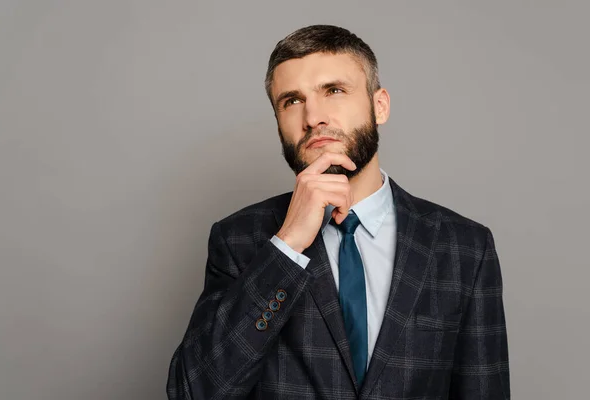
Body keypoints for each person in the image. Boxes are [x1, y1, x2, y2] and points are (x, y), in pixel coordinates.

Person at [166, 24, 510, 399]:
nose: (313, 117)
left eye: (333, 91)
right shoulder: (239, 240)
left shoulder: (464, 248)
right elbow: (194, 391)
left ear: (379, 106)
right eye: (292, 100)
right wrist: (289, 243)